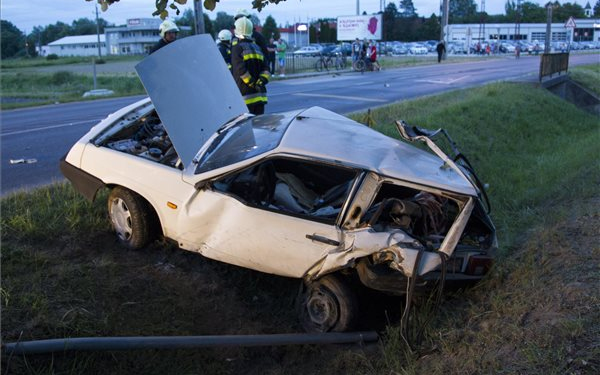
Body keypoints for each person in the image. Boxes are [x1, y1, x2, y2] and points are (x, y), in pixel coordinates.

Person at [231, 17, 270, 115]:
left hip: (245, 98)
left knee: (246, 129)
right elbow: (266, 69)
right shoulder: (257, 48)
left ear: (237, 30)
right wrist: (261, 82)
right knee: (258, 127)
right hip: (260, 97)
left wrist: (252, 83)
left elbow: (241, 70)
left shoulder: (237, 48)